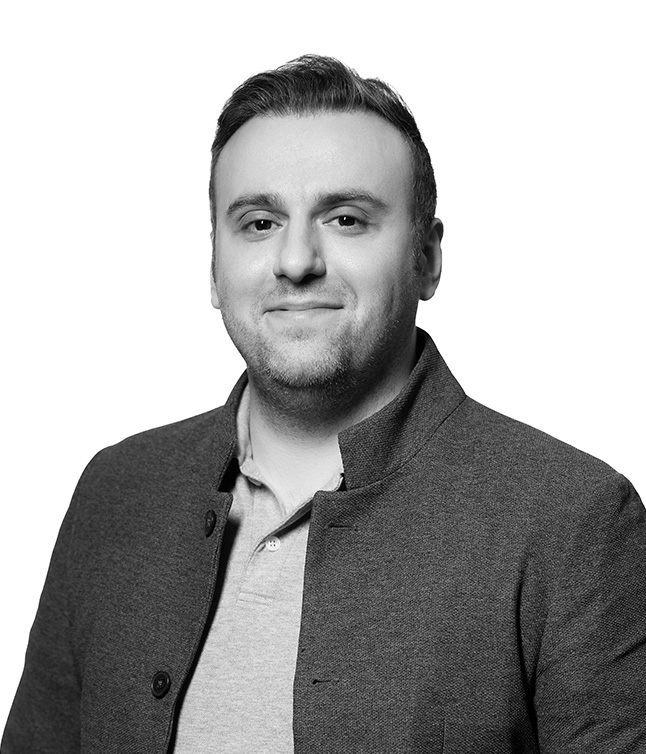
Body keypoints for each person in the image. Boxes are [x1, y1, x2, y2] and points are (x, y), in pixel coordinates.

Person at [2, 54, 645, 754]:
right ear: (214, 267)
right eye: (258, 223)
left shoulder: (572, 520)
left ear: (427, 259)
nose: (296, 260)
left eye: (345, 219)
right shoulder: (116, 490)